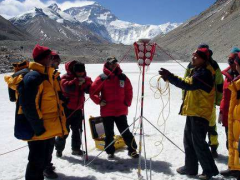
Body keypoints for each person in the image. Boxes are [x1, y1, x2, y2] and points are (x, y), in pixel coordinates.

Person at [5, 44, 68, 180]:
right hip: (39, 129)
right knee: (36, 163)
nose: (54, 60)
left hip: (47, 128)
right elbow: (28, 106)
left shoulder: (47, 75)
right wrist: (38, 127)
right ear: (45, 59)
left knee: (42, 161)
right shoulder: (34, 77)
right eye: (51, 57)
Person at [159, 48, 219, 180]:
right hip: (193, 111)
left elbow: (188, 84)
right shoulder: (198, 71)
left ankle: (209, 170)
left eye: (196, 56)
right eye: (193, 56)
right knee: (189, 141)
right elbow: (188, 83)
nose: (193, 58)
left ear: (203, 59)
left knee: (199, 142)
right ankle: (190, 167)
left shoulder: (205, 73)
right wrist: (170, 77)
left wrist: (170, 77)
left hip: (200, 113)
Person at [90, 57, 139, 159]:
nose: (113, 65)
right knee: (109, 133)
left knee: (125, 131)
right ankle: (110, 151)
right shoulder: (102, 78)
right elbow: (93, 92)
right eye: (111, 64)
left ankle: (132, 150)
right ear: (107, 64)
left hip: (121, 110)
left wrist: (127, 102)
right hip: (107, 111)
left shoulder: (123, 77)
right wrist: (99, 101)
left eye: (114, 63)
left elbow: (129, 90)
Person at [183, 44, 223, 158]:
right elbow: (219, 83)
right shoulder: (213, 64)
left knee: (202, 127)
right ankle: (212, 147)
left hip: (203, 101)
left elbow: (185, 83)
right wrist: (218, 100)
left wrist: (184, 96)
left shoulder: (196, 65)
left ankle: (207, 149)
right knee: (210, 125)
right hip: (208, 100)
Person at [55, 61, 92, 157]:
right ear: (73, 71)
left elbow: (90, 88)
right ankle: (59, 149)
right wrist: (76, 82)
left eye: (82, 72)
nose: (81, 74)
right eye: (79, 72)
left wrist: (85, 82)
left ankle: (76, 149)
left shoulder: (85, 78)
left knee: (78, 130)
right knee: (64, 131)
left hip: (78, 109)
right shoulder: (65, 78)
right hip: (66, 109)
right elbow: (67, 88)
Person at [220, 51, 240, 179]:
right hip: (230, 115)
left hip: (236, 116)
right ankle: (233, 167)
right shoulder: (229, 76)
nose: (231, 64)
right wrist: (222, 111)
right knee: (231, 142)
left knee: (237, 144)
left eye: (233, 61)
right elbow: (224, 97)